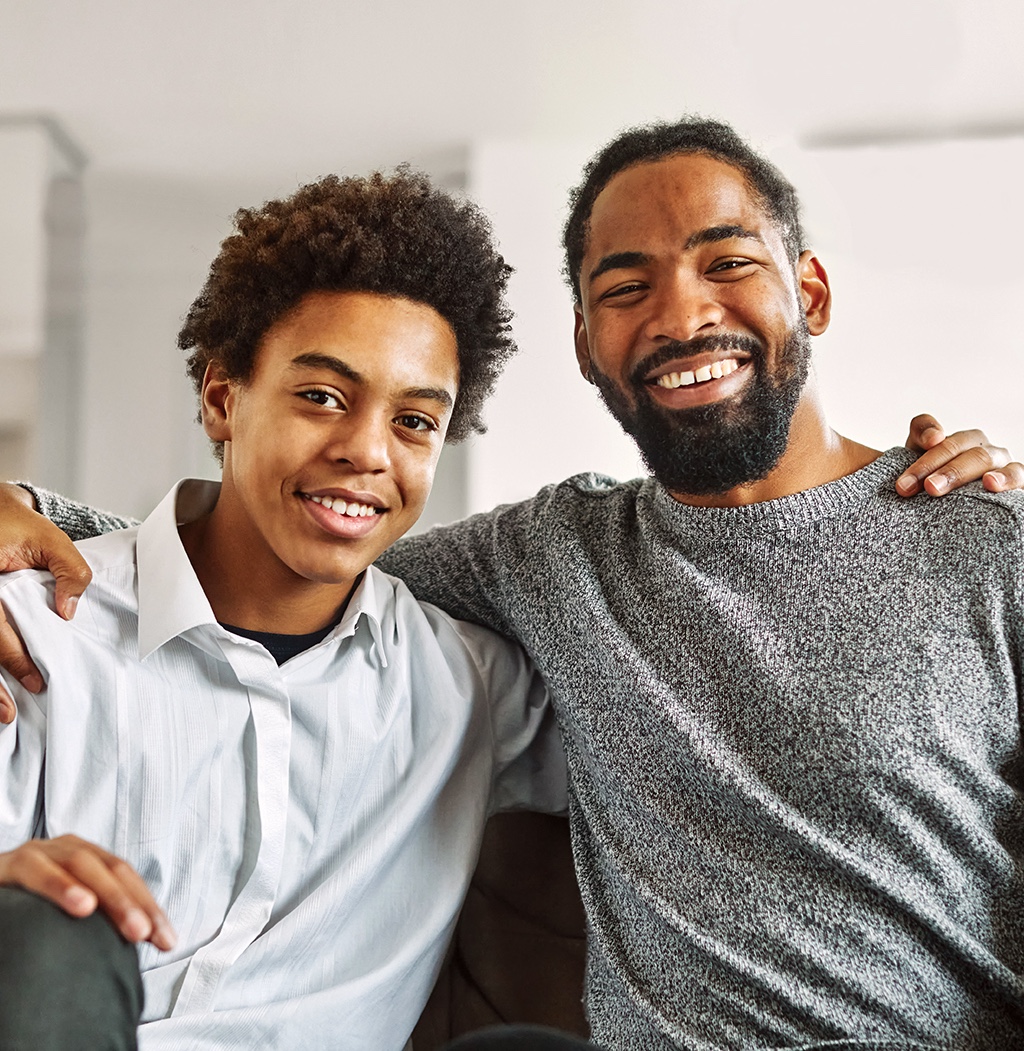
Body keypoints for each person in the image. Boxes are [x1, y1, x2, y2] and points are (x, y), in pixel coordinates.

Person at [2, 118, 1024, 1051]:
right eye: (625, 286)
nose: (680, 311)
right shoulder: (553, 562)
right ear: (588, 344)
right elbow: (264, 557)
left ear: (809, 292)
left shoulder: (986, 544)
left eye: (728, 262)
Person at [0, 169, 566, 1051]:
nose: (365, 452)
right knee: (39, 933)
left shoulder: (469, 687)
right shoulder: (34, 633)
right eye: (322, 398)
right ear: (223, 399)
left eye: (415, 421)